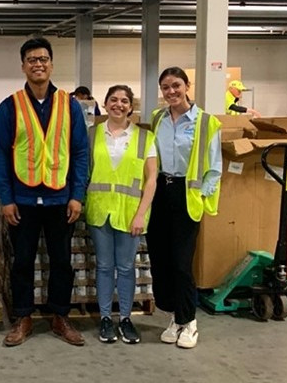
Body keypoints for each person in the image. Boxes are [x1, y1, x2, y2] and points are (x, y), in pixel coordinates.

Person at [0, 37, 89, 347]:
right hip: (22, 200)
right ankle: (23, 317)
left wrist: (77, 195)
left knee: (61, 261)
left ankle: (60, 316)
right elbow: (0, 156)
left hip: (61, 199)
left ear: (51, 64)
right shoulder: (10, 106)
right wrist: (6, 199)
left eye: (43, 59)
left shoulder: (69, 104)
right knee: (22, 261)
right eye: (32, 59)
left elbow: (80, 153)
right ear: (23, 66)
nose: (38, 64)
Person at [147, 67, 222, 349]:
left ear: (187, 85)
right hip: (160, 192)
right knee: (161, 259)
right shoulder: (157, 118)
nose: (171, 92)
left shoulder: (205, 122)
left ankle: (189, 321)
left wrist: (202, 196)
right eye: (165, 87)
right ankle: (175, 318)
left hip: (186, 196)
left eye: (176, 86)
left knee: (181, 262)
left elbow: (214, 169)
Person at [85, 85, 157, 344]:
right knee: (104, 266)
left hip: (130, 214)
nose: (119, 104)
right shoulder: (91, 135)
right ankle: (106, 318)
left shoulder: (144, 138)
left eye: (124, 100)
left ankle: (125, 319)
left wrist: (141, 214)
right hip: (99, 210)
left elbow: (151, 180)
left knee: (126, 268)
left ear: (131, 106)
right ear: (104, 105)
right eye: (113, 100)